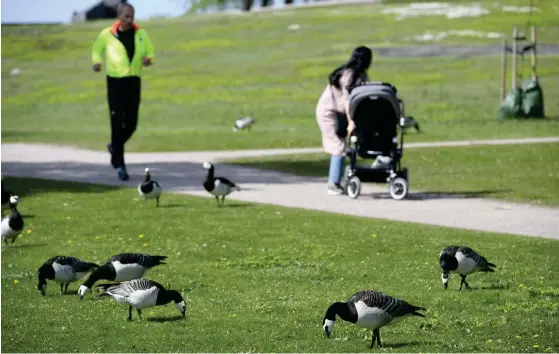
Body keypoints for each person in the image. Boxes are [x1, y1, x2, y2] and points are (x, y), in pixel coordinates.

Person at [91, 3, 155, 181]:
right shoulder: (107, 34)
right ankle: (120, 165)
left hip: (134, 80)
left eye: (132, 16)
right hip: (115, 82)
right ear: (119, 17)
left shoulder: (141, 34)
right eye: (126, 16)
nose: (130, 19)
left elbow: (150, 52)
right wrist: (97, 62)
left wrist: (149, 60)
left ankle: (114, 146)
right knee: (117, 122)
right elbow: (97, 49)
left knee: (132, 123)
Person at [315, 46, 372, 195]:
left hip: (340, 114)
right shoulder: (347, 75)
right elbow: (347, 101)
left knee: (345, 146)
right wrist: (351, 121)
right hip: (328, 113)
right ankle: (333, 184)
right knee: (339, 146)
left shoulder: (362, 76)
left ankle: (343, 179)